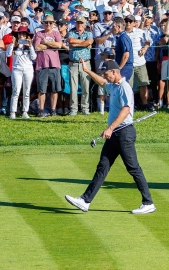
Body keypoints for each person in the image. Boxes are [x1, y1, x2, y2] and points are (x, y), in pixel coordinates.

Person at [64, 59, 155, 215]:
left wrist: (110, 128)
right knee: (102, 167)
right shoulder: (113, 86)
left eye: (107, 74)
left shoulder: (124, 88)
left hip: (124, 133)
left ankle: (148, 203)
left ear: (114, 72)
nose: (106, 77)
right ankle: (85, 200)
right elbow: (102, 83)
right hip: (114, 133)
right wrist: (87, 71)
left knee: (133, 168)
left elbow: (126, 110)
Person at [7, 25, 36, 119]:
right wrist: (12, 43)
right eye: (20, 34)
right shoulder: (15, 45)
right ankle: (12, 112)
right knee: (16, 90)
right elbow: (8, 54)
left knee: (27, 91)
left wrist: (30, 46)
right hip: (17, 69)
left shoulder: (29, 45)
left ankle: (25, 111)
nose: (21, 36)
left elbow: (34, 57)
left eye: (23, 34)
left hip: (28, 69)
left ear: (26, 36)